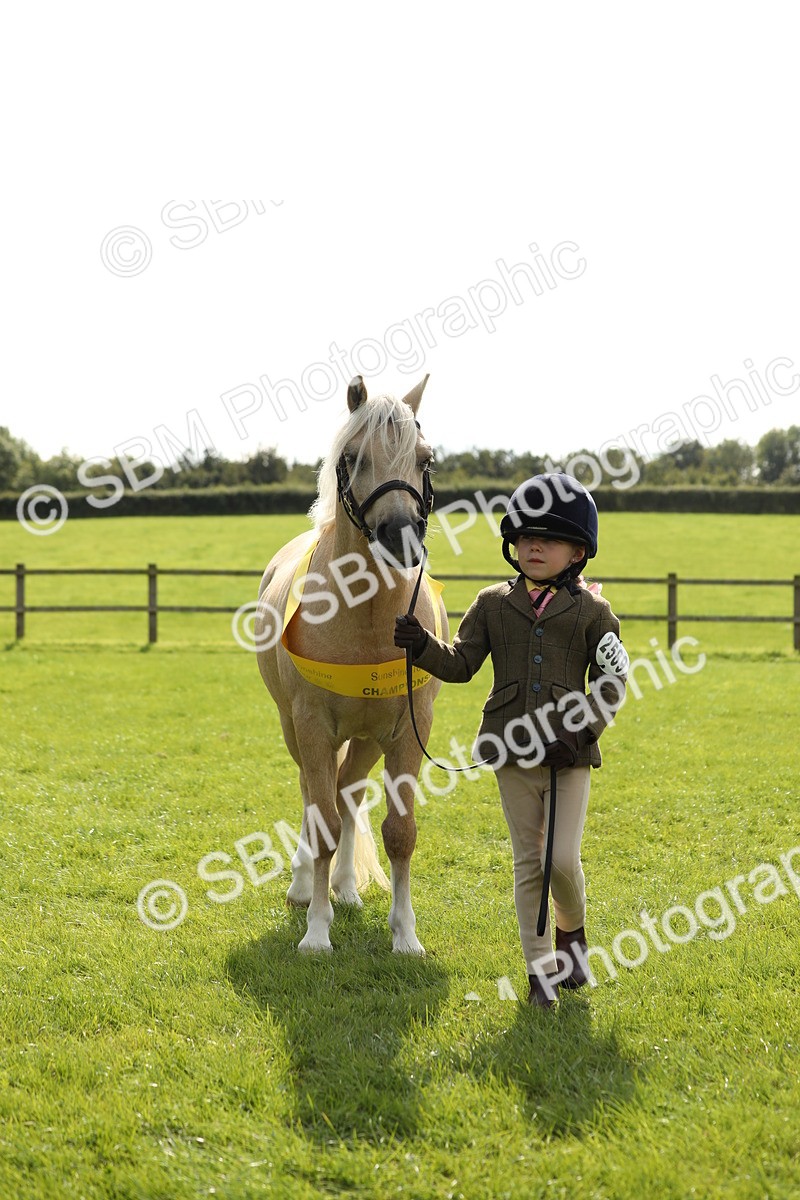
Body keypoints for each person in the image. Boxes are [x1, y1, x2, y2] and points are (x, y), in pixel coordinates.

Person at [394, 474, 628, 1007]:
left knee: (560, 861)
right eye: (525, 537)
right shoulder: (491, 604)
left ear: (578, 551)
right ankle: (540, 974)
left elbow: (612, 683)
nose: (534, 547)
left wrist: (583, 730)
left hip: (569, 758)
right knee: (529, 862)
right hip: (511, 751)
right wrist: (421, 644)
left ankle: (572, 932)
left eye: (549, 539)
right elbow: (461, 664)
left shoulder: (595, 613)